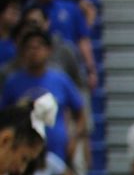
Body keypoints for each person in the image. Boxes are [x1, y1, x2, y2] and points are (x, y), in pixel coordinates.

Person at [0, 28, 81, 164]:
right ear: (22, 52)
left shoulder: (60, 79)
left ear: (48, 50)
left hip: (58, 152)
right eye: (29, 48)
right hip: (22, 155)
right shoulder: (12, 83)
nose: (34, 52)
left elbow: (80, 113)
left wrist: (74, 138)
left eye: (38, 47)